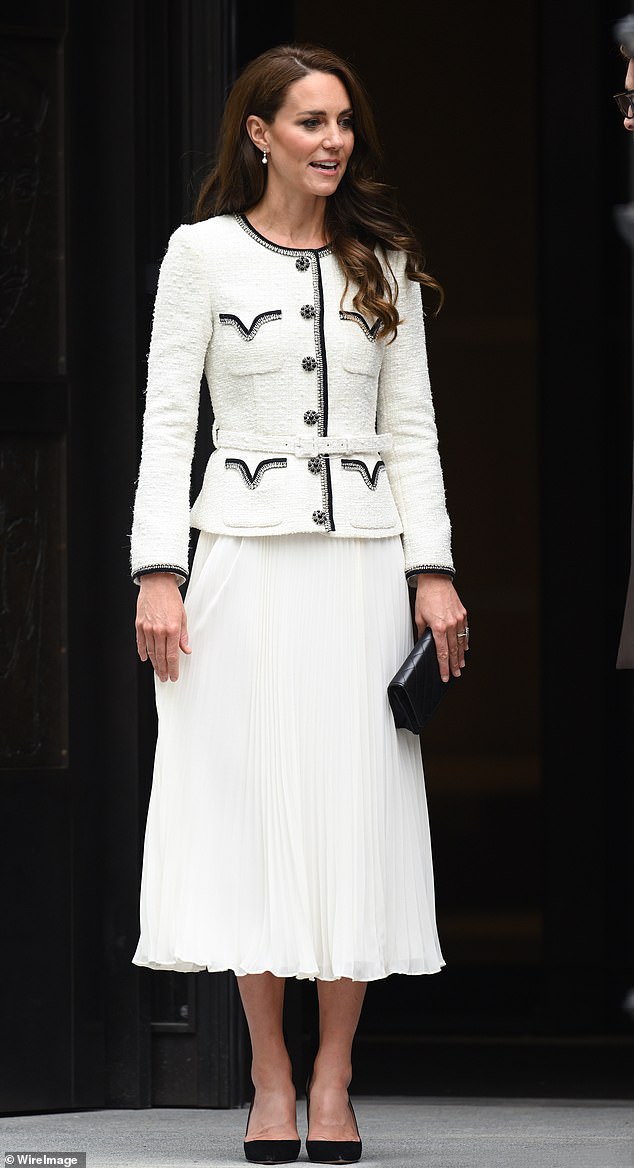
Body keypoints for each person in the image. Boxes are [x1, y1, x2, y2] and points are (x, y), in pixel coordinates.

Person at [130, 43, 468, 1165]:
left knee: (352, 815)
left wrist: (434, 570)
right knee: (254, 813)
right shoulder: (202, 256)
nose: (333, 140)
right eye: (311, 121)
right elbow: (167, 421)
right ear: (258, 134)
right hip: (240, 571)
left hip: (362, 569)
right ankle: (268, 1073)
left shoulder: (384, 259)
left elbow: (412, 429)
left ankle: (335, 1077)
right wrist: (158, 572)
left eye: (344, 123)